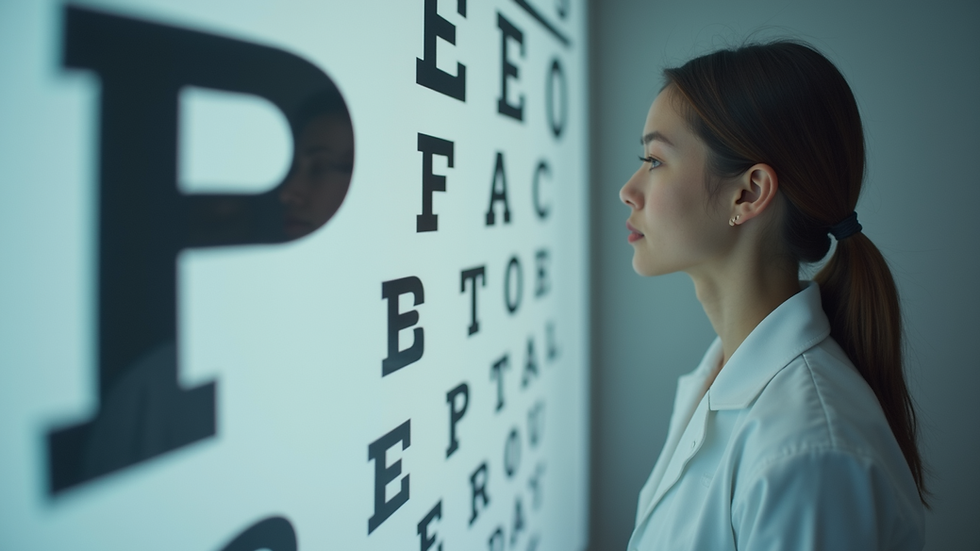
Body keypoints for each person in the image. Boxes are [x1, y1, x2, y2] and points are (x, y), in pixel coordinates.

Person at [619, 40, 927, 550]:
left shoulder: (809, 453)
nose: (628, 191)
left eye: (654, 160)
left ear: (749, 193)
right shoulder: (725, 377)